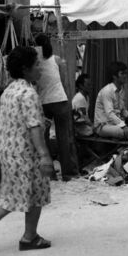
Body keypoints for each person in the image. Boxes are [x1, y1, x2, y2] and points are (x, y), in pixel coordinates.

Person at [0, 46, 54, 252]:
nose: (40, 68)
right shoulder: (28, 93)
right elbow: (33, 127)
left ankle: (25, 236)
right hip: (27, 154)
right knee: (30, 194)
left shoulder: (8, 91)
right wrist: (44, 155)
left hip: (9, 153)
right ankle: (20, 235)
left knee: (19, 194)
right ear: (25, 69)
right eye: (37, 64)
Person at [35, 33, 79, 178]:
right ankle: (69, 174)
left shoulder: (34, 63)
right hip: (60, 100)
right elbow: (65, 83)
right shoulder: (57, 60)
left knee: (44, 139)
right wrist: (68, 100)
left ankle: (50, 174)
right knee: (64, 138)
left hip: (43, 102)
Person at [94, 61, 128, 140]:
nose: (125, 76)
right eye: (122, 73)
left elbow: (123, 111)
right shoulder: (107, 91)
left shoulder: (122, 90)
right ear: (114, 76)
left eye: (126, 73)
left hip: (115, 122)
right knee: (125, 132)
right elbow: (110, 114)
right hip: (104, 125)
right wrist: (124, 126)